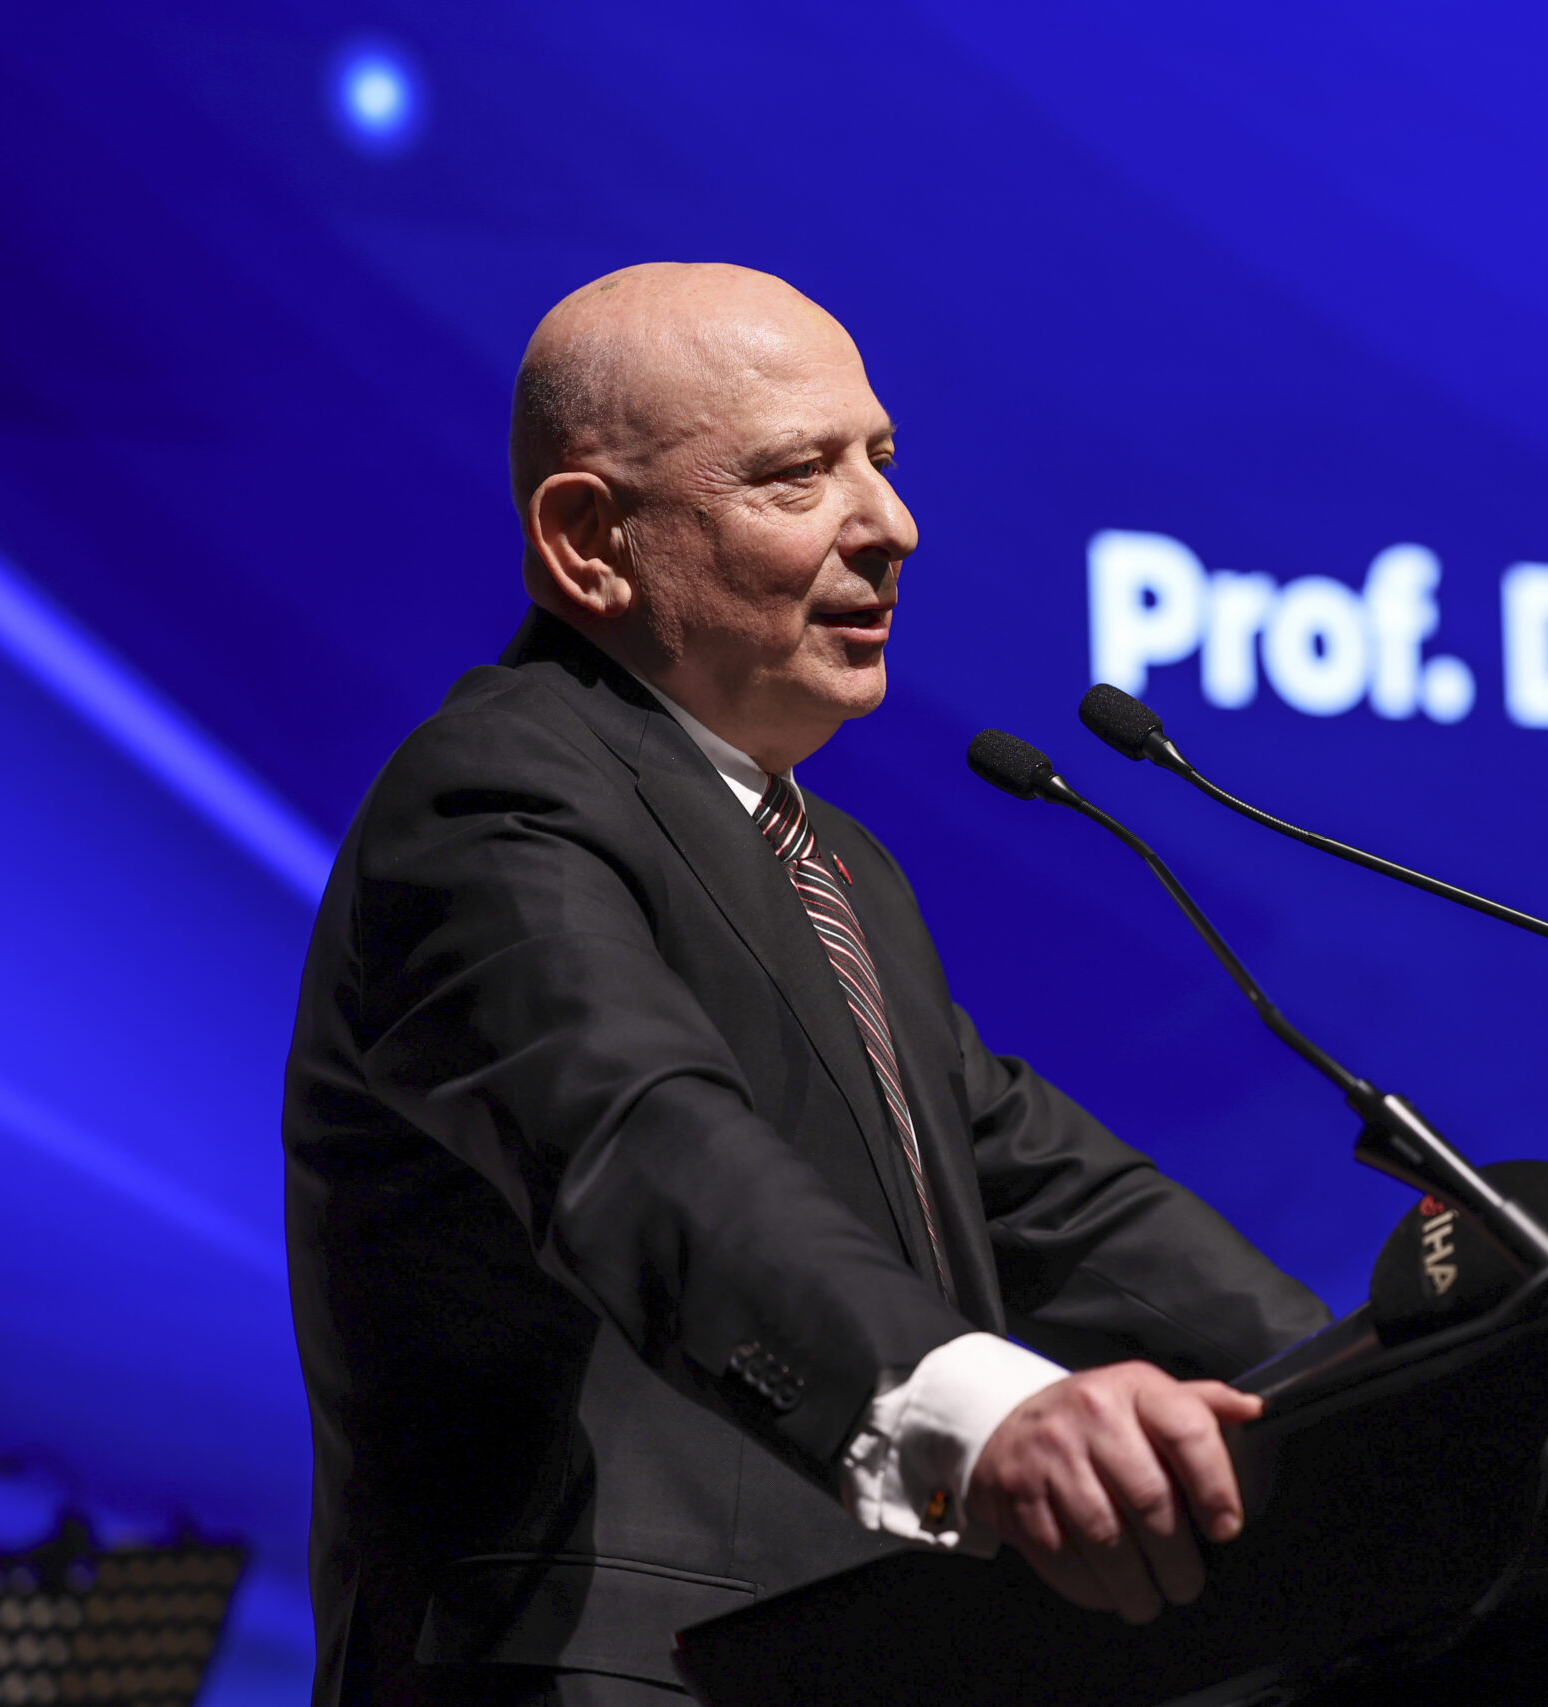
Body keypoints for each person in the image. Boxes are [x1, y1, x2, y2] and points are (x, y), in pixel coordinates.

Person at [282, 262, 1331, 1707]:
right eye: (798, 477)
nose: (891, 525)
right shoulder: (488, 799)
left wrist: (1356, 1375)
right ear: (592, 543)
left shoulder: (837, 866)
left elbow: (1046, 1202)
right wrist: (984, 1415)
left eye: (881, 460)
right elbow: (636, 1141)